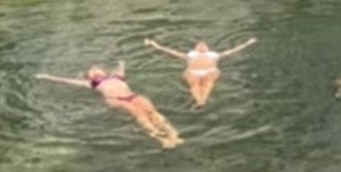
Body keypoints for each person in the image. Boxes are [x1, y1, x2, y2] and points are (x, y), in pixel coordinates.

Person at [35, 62, 182, 148]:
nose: (94, 71)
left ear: (103, 71)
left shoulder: (117, 76)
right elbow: (66, 81)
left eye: (96, 68)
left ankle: (174, 135)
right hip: (116, 99)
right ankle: (161, 138)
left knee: (152, 111)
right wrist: (47, 77)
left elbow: (121, 67)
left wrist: (121, 63)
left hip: (132, 95)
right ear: (90, 76)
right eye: (91, 71)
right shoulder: (92, 84)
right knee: (139, 114)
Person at [144, 36, 257, 107]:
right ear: (195, 48)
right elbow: (170, 51)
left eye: (204, 45)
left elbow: (232, 51)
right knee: (195, 84)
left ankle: (203, 100)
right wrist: (154, 45)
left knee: (208, 82)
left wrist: (248, 43)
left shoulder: (215, 55)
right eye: (199, 45)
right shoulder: (189, 55)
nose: (202, 46)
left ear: (208, 48)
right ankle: (199, 101)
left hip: (210, 71)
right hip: (193, 71)